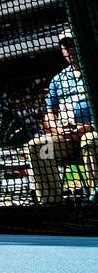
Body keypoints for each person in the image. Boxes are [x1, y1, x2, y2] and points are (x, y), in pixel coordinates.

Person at [27, 32, 96, 203]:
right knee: (38, 146)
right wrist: (57, 128)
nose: (69, 49)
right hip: (65, 138)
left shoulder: (94, 71)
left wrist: (88, 127)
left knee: (90, 140)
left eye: (72, 44)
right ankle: (51, 202)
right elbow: (49, 112)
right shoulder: (58, 80)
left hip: (90, 132)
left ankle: (95, 198)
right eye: (65, 46)